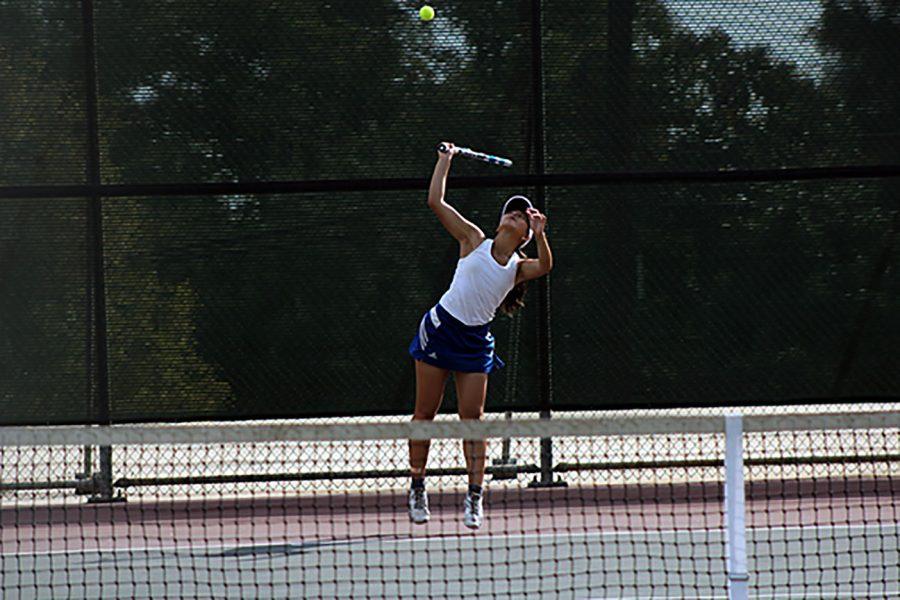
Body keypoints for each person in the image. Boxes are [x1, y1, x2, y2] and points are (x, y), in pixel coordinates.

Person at [407, 141, 553, 529]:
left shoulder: (520, 266)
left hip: (474, 343)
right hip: (439, 332)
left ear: (523, 233)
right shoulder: (473, 240)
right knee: (425, 414)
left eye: (523, 216)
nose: (516, 216)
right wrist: (444, 160)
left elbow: (546, 265)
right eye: (513, 211)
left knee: (474, 419)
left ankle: (474, 497)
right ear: (502, 220)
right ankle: (417, 486)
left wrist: (540, 234)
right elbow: (435, 201)